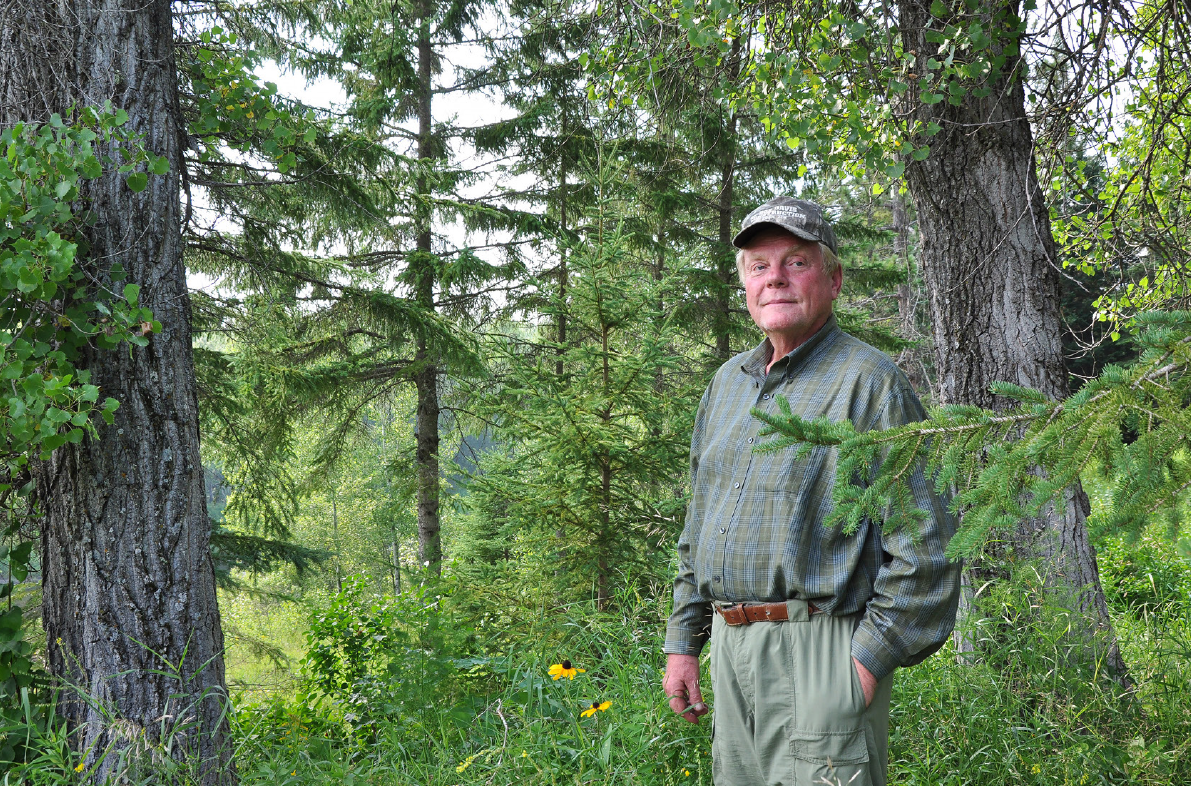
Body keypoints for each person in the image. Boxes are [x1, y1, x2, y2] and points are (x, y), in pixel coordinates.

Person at [661, 197, 961, 786]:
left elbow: (928, 546)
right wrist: (684, 640)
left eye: (795, 261)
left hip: (821, 652)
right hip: (728, 654)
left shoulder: (869, 385)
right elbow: (697, 529)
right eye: (758, 265)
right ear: (745, 282)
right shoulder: (726, 386)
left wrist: (862, 667)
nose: (774, 277)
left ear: (833, 278)